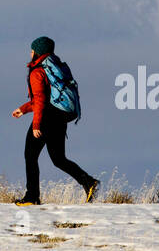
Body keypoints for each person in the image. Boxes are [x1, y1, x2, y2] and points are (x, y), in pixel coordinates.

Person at [12, 36, 98, 205]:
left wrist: (36, 124)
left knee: (30, 155)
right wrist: (24, 109)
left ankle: (32, 197)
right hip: (60, 116)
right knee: (59, 159)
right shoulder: (56, 66)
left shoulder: (38, 71)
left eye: (32, 50)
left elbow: (41, 99)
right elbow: (46, 97)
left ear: (38, 52)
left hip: (47, 117)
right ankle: (88, 182)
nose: (30, 53)